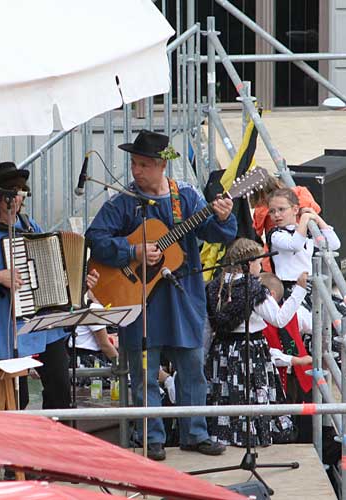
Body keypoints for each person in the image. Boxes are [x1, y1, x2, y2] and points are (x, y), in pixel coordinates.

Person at [85, 129, 237, 461]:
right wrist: (132, 251)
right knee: (144, 373)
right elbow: (94, 238)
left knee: (193, 368)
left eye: (142, 165)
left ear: (159, 166)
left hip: (183, 297)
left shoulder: (187, 197)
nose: (135, 171)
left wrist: (225, 217)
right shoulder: (124, 202)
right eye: (134, 164)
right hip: (139, 299)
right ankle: (149, 436)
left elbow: (215, 233)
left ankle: (195, 433)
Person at [0, 162, 72, 410]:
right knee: (17, 397)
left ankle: (54, 441)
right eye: (11, 192)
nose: (16, 199)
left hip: (43, 325)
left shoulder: (31, 226)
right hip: (8, 329)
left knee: (60, 385)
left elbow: (52, 263)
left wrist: (75, 282)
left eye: (19, 192)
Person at [205, 239, 308, 447]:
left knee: (227, 393)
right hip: (249, 350)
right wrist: (299, 291)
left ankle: (227, 434)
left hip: (222, 350)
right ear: (248, 263)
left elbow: (209, 326)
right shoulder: (253, 289)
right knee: (252, 393)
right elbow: (279, 319)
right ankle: (252, 435)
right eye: (258, 262)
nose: (260, 267)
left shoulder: (216, 286)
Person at [266, 188, 340, 297]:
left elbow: (333, 244)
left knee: (341, 309)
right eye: (272, 211)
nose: (276, 214)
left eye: (281, 209)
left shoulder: (304, 232)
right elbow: (295, 245)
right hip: (290, 289)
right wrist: (304, 220)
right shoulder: (275, 235)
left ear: (295, 210)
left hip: (310, 284)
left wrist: (317, 218)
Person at [250, 175, 322, 273]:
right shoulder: (298, 192)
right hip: (288, 249)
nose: (276, 214)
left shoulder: (262, 209)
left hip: (290, 251)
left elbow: (256, 230)